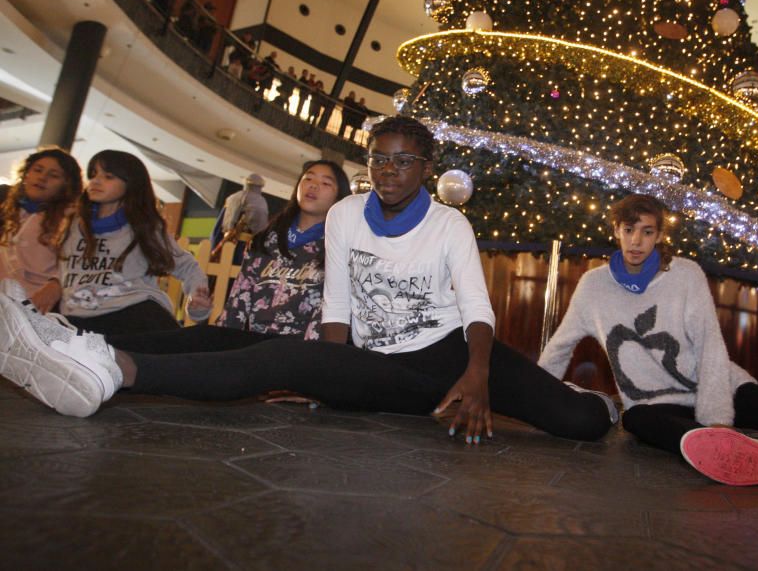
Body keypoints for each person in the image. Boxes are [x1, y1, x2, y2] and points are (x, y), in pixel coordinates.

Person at [0, 118, 616, 446]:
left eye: (404, 160)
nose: (389, 169)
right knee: (249, 346)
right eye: (379, 158)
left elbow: (478, 307)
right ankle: (100, 360)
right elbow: (340, 300)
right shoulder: (348, 214)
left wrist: (477, 377)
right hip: (381, 364)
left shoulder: (450, 223)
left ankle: (603, 405)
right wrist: (326, 371)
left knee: (580, 425)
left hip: (456, 356)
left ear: (427, 168)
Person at [538, 194, 758, 486]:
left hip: (720, 387)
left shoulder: (686, 274)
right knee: (636, 419)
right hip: (657, 404)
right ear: (616, 230)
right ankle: (738, 454)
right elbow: (561, 345)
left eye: (647, 232)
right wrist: (538, 398)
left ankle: (729, 447)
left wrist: (717, 420)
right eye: (629, 230)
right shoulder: (594, 285)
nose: (636, 241)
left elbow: (709, 343)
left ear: (658, 236)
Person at [58, 150, 212, 334]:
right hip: (77, 318)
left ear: (131, 184)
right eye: (93, 175)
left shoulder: (144, 226)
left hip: (132, 313)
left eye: (108, 176)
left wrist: (198, 304)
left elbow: (186, 266)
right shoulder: (72, 225)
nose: (96, 181)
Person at [217, 159, 349, 339]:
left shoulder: (338, 249)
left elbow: (328, 316)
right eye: (308, 179)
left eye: (326, 183)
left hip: (300, 354)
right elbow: (237, 303)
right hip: (252, 348)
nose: (314, 186)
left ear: (339, 198)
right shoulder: (264, 241)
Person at [0, 149, 82, 312]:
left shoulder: (72, 219)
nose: (42, 177)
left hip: (37, 310)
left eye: (54, 175)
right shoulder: (9, 211)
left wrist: (57, 285)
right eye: (37, 170)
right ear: (26, 174)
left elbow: (79, 264)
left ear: (66, 185)